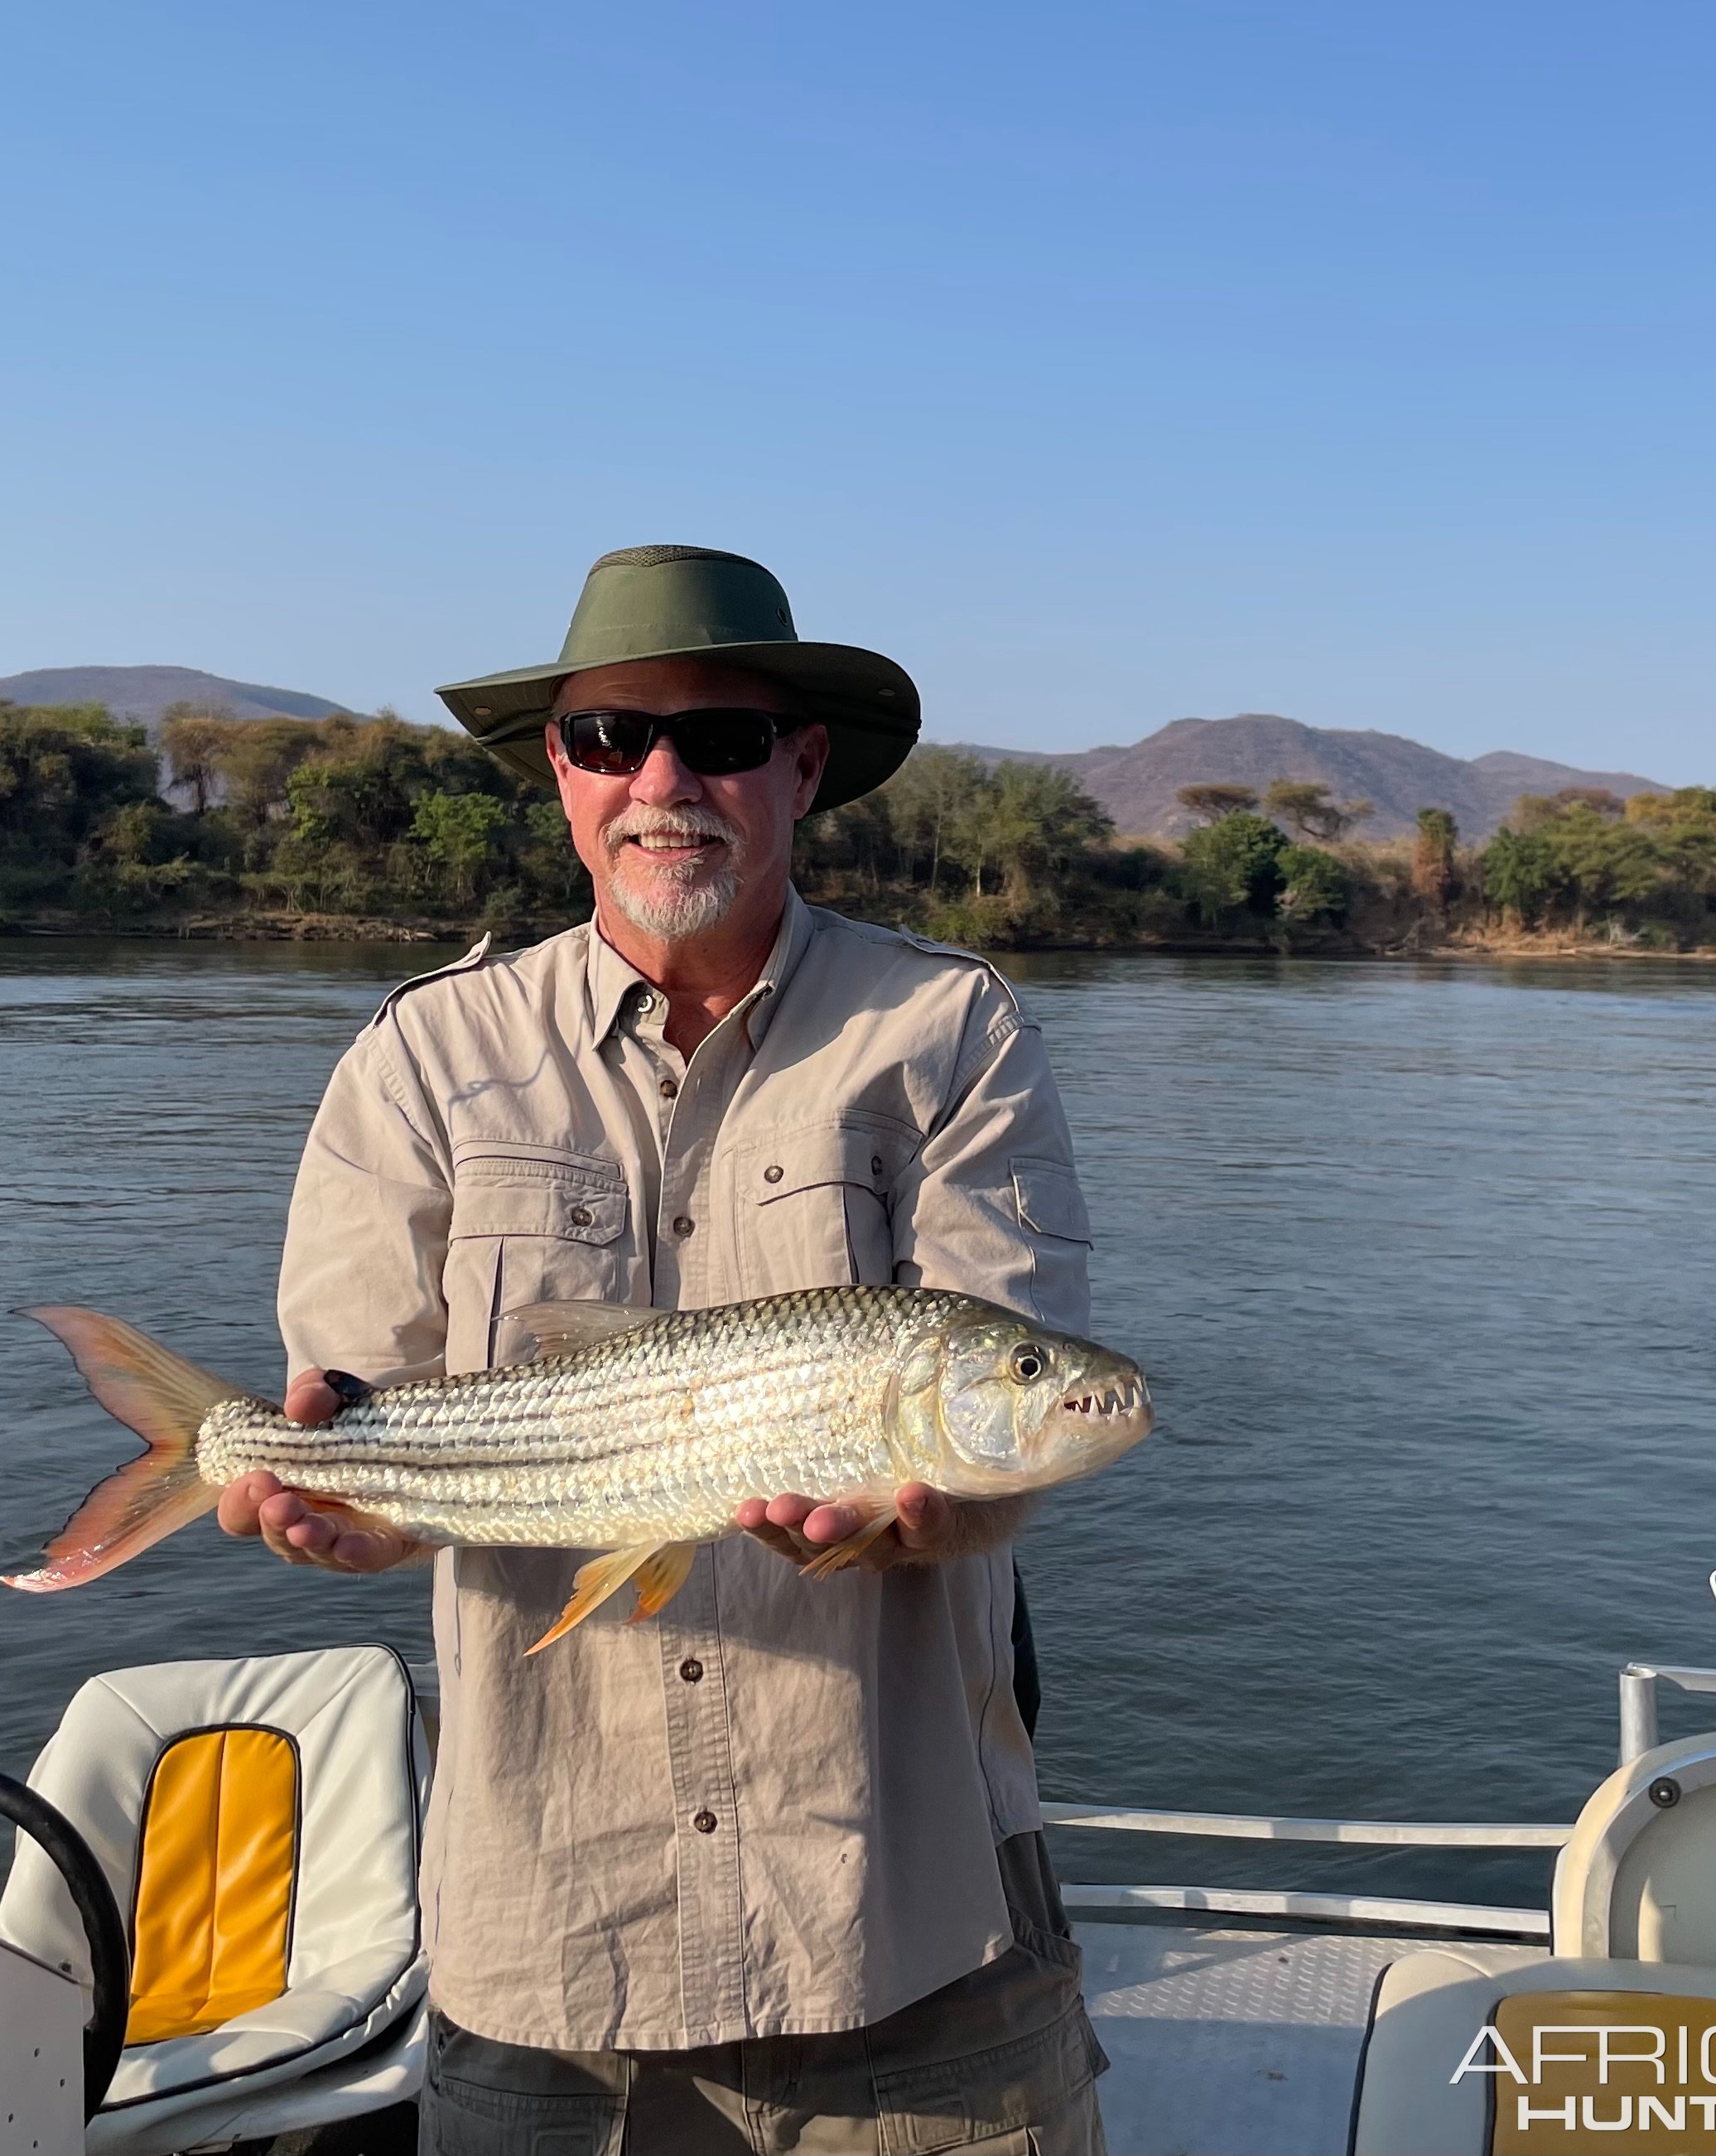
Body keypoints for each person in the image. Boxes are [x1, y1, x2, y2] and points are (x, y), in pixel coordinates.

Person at [220, 544, 1106, 2154]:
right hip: (554, 1937)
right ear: (560, 772)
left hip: (905, 1917)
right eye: (614, 738)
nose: (666, 781)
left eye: (723, 737)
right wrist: (339, 1508)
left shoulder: (946, 1032)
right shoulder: (426, 1056)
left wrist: (924, 1505)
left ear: (805, 766)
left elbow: (1011, 1391)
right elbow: (367, 1419)